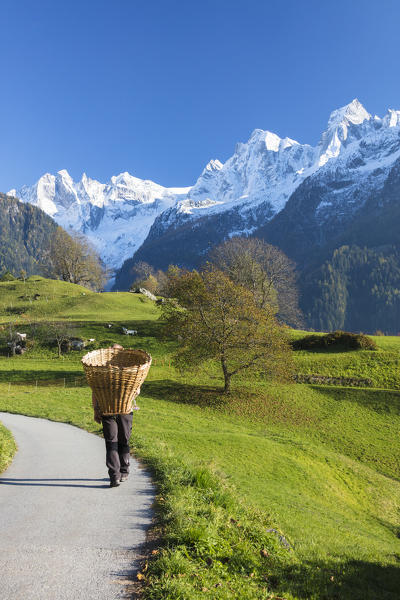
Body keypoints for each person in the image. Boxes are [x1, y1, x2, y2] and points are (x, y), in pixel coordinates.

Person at [92, 344, 140, 488]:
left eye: (116, 352)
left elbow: (137, 389)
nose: (114, 355)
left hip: (125, 410)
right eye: (112, 352)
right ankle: (114, 476)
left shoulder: (130, 372)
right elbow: (95, 392)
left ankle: (124, 470)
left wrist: (134, 391)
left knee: (124, 439)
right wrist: (96, 409)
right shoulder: (103, 373)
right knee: (111, 441)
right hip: (108, 411)